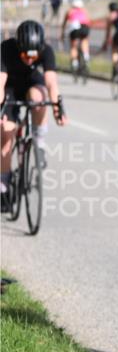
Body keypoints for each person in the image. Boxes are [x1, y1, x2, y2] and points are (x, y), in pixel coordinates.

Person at [0, 20, 67, 211]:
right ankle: (4, 184)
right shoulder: (5, 49)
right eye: (25, 55)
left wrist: (58, 109)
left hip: (31, 84)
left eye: (33, 56)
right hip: (10, 88)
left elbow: (51, 83)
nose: (30, 60)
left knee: (39, 98)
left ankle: (38, 140)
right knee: (5, 134)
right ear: (18, 47)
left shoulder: (46, 50)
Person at [62, 0, 92, 72]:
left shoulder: (70, 11)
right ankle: (86, 56)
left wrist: (62, 33)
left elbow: (64, 23)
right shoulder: (84, 11)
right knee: (84, 41)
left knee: (74, 47)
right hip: (84, 27)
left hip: (75, 28)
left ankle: (74, 63)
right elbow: (89, 22)